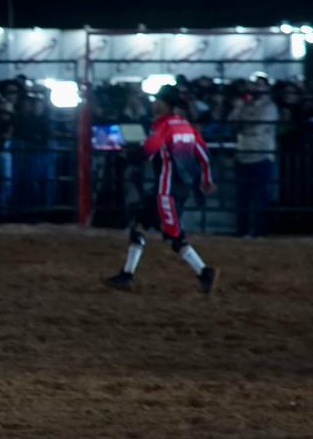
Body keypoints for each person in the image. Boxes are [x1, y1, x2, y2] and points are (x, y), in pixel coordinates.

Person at [105, 85, 218, 294]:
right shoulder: (186, 126)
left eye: (158, 100)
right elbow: (203, 154)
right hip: (179, 187)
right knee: (140, 224)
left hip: (166, 190)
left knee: (174, 235)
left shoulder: (164, 126)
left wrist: (126, 155)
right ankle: (127, 274)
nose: (154, 103)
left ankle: (204, 271)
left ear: (166, 105)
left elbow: (148, 152)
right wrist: (207, 179)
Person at [228, 77, 278, 238]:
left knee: (259, 196)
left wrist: (243, 123)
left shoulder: (270, 107)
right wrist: (241, 110)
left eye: (258, 85)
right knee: (242, 196)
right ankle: (242, 229)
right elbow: (231, 122)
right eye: (252, 85)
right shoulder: (243, 104)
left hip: (261, 155)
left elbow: (258, 128)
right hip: (243, 154)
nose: (254, 88)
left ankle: (258, 231)